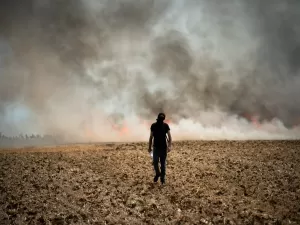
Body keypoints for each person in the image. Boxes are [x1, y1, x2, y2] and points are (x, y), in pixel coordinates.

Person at [148, 112, 172, 185]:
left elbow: (170, 137)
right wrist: (149, 147)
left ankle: (162, 178)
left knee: (162, 164)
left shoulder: (165, 126)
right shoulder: (153, 126)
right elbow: (151, 137)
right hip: (156, 147)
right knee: (155, 162)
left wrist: (169, 146)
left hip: (163, 148)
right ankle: (158, 173)